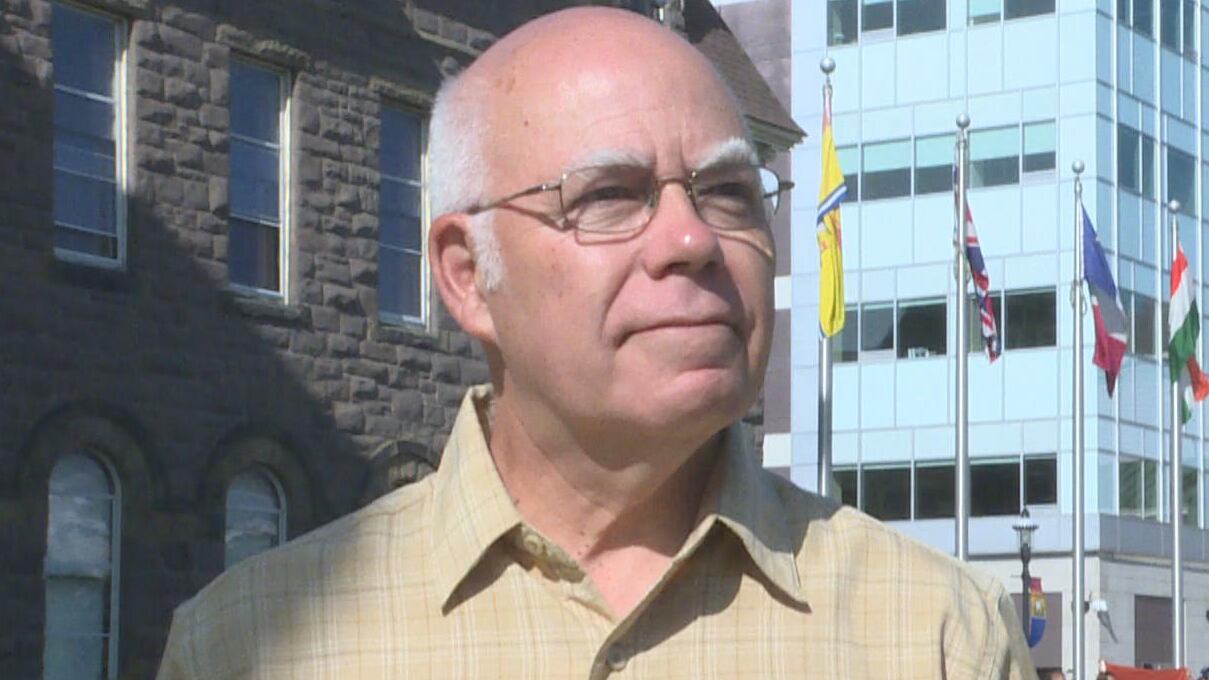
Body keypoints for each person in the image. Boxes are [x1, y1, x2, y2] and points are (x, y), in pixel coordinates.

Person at [157, 7, 1037, 679]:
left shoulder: (938, 636)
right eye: (609, 196)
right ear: (467, 276)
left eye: (730, 191)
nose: (692, 240)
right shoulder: (249, 645)